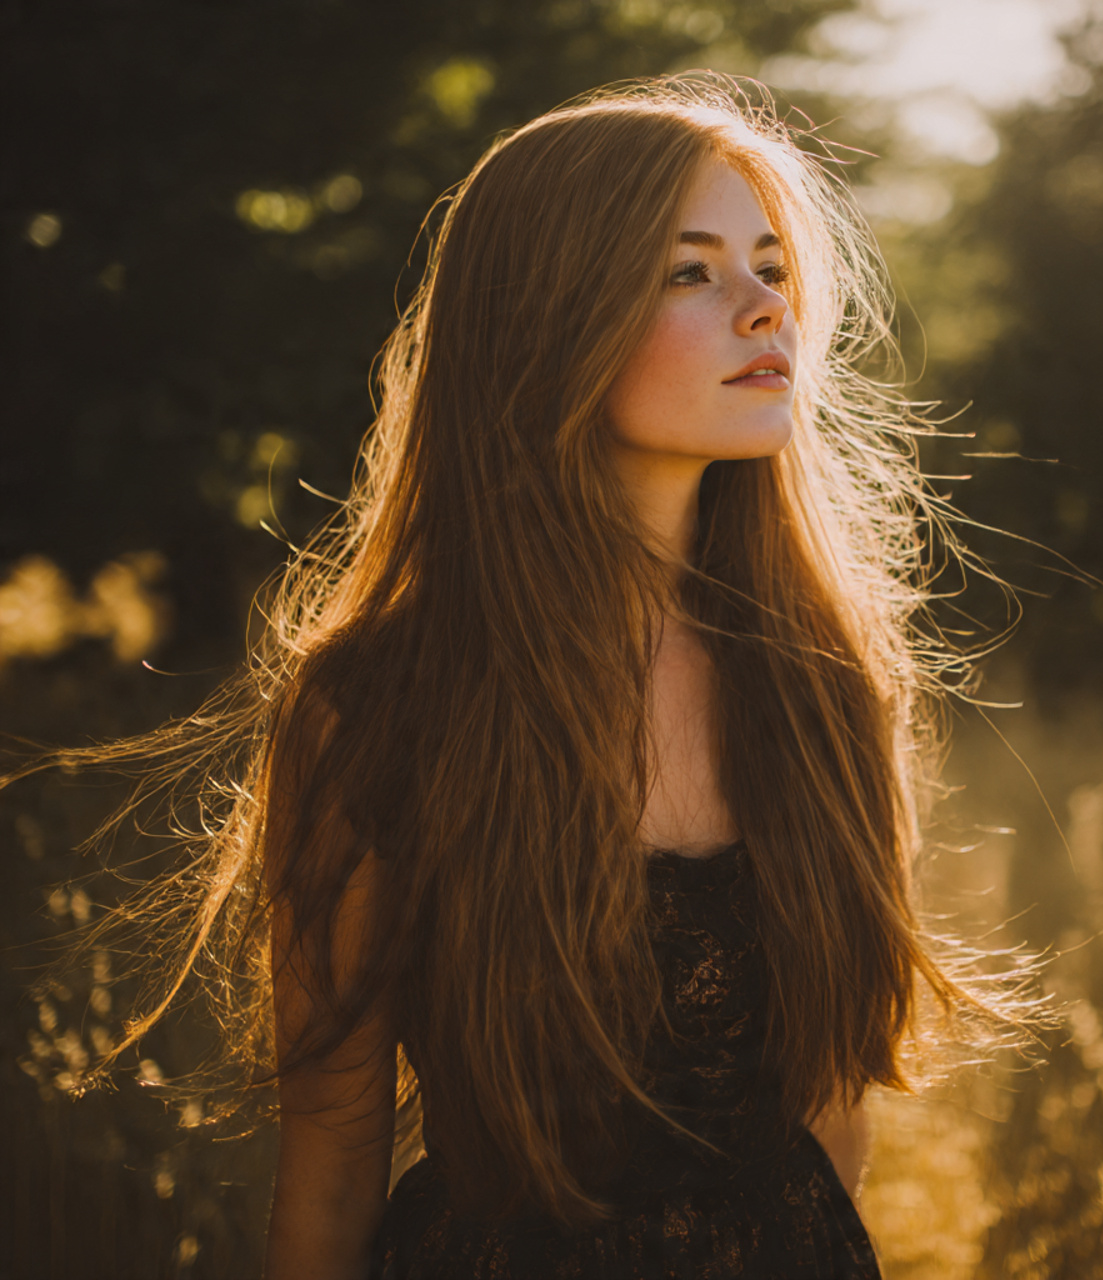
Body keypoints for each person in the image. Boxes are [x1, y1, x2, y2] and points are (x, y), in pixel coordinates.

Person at [19, 76, 1016, 1280]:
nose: (765, 311)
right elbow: (331, 1162)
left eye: (771, 266)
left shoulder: (822, 677)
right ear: (550, 319)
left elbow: (829, 1121)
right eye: (688, 271)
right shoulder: (380, 704)